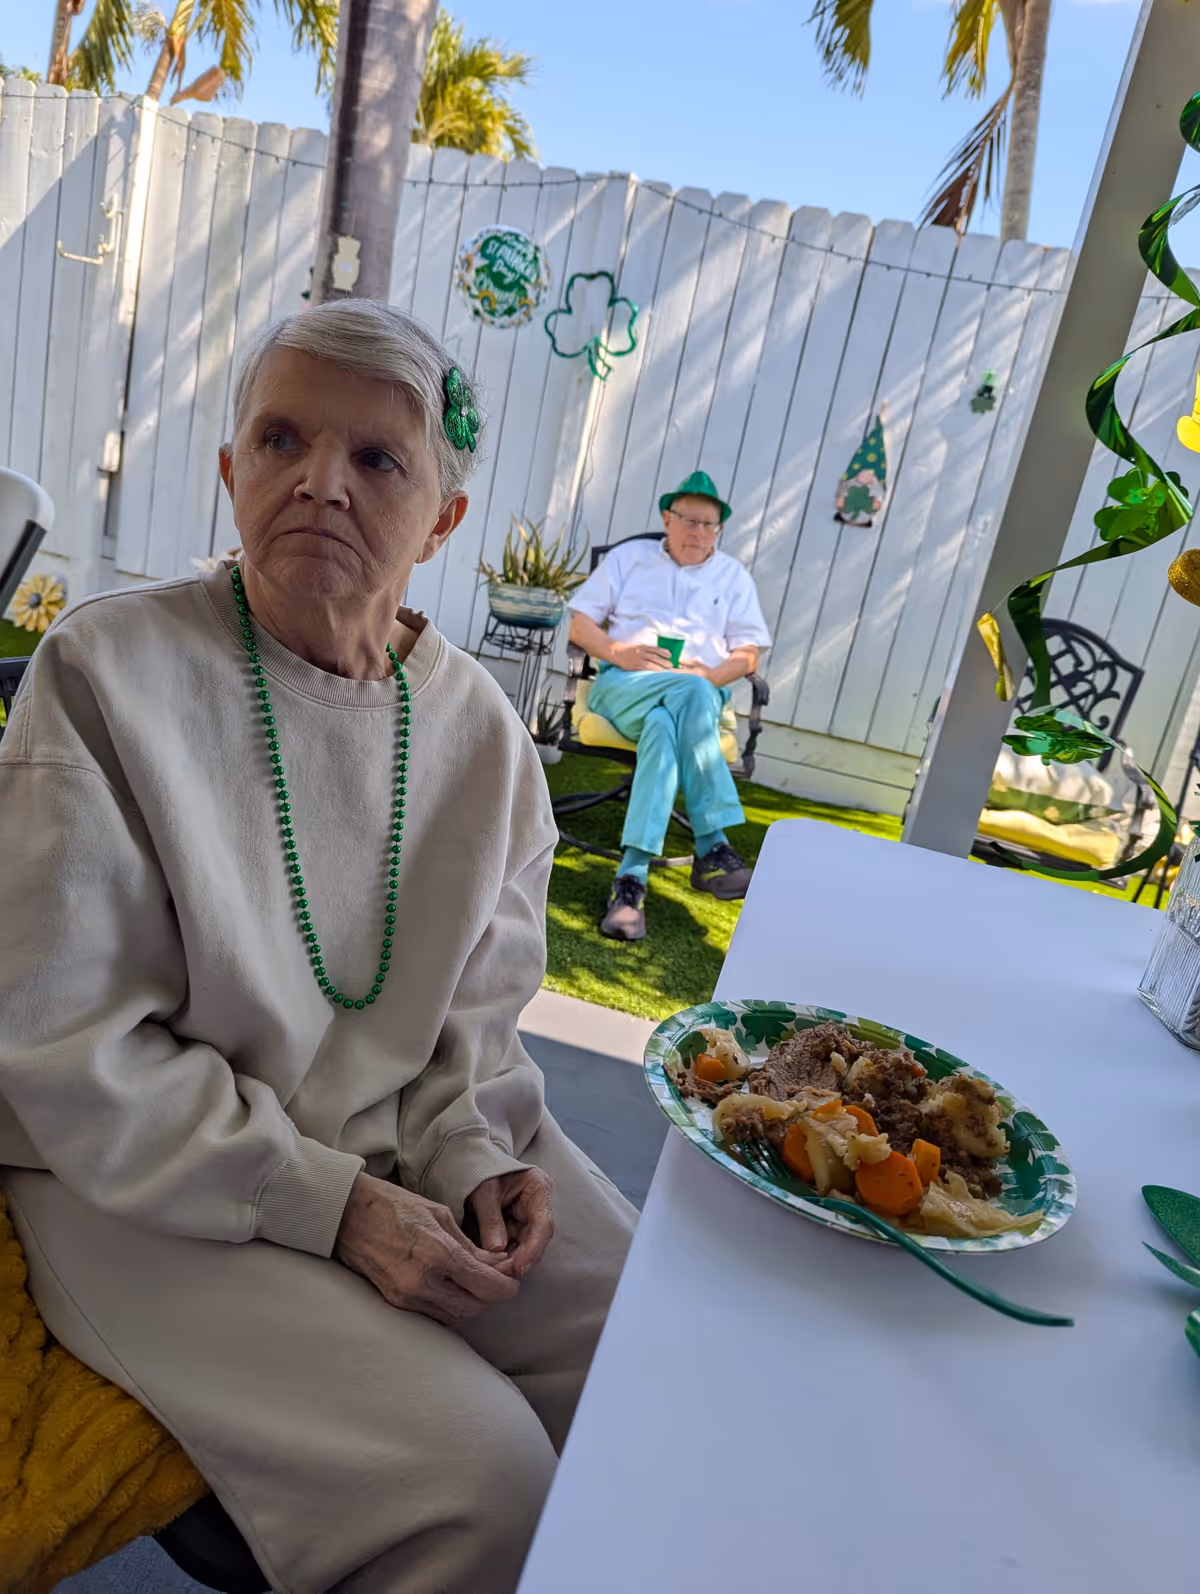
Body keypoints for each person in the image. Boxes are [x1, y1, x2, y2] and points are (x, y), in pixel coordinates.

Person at [0, 301, 637, 1594]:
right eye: (281, 438)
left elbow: (475, 1028)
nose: (319, 482)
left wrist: (472, 1152)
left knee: (662, 1349)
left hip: (393, 1147)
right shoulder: (106, 671)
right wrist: (333, 1206)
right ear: (230, 471)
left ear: (444, 518)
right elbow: (65, 1050)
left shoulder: (484, 738)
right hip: (136, 1178)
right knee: (477, 1482)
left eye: (377, 458)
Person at [567, 470, 772, 942]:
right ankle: (712, 844)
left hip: (694, 694)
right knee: (689, 696)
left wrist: (710, 676)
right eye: (690, 521)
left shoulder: (732, 577)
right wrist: (620, 652)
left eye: (710, 525)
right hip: (626, 684)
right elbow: (580, 628)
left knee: (667, 724)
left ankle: (631, 881)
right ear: (667, 518)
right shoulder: (629, 559)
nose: (700, 532)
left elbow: (747, 654)